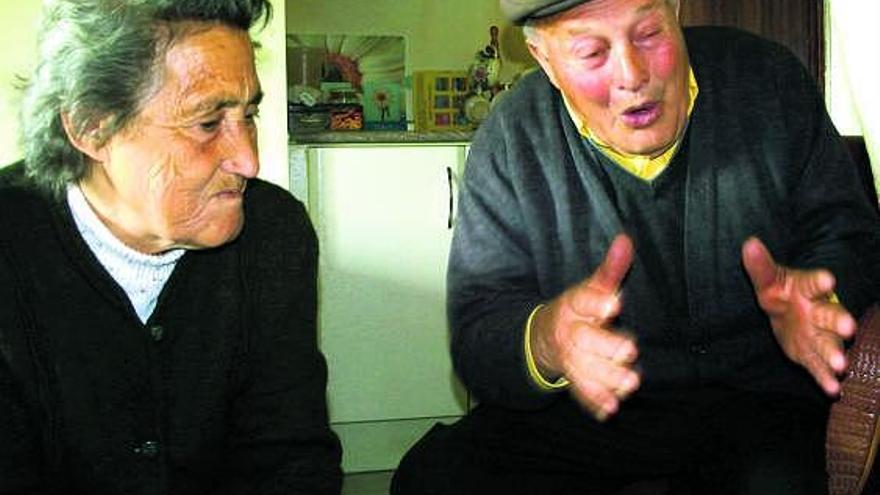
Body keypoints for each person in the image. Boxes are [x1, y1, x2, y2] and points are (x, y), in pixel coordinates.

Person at [392, 0, 880, 493]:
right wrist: (549, 340)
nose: (633, 74)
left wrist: (825, 296)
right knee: (434, 476)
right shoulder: (511, 137)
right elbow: (479, 328)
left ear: (675, 8)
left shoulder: (768, 80)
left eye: (649, 33)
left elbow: (848, 234)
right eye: (591, 52)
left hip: (756, 402)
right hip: (590, 414)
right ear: (544, 59)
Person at [0, 1, 342, 493]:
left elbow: (289, 453)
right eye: (207, 123)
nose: (248, 159)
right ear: (91, 127)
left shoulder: (272, 232)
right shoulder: (10, 250)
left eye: (249, 115)